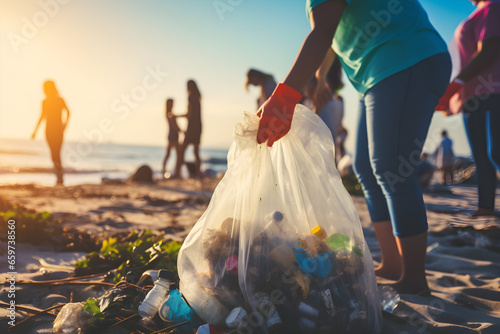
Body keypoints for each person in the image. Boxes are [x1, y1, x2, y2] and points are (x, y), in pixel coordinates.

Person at [256, 0, 451, 295]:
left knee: (392, 168)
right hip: (376, 72)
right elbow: (332, 36)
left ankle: (414, 279)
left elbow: (322, 33)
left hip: (405, 57)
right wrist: (321, 80)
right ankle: (392, 263)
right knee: (365, 168)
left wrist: (284, 97)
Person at [436, 0, 500, 217]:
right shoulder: (477, 13)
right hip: (471, 98)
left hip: (493, 91)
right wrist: (455, 93)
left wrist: (457, 84)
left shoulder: (494, 6)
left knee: (496, 152)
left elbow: (490, 48)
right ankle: (485, 208)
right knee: (481, 155)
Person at [32, 80, 70, 185]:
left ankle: (60, 176)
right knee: (53, 154)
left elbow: (68, 112)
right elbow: (42, 116)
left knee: (57, 153)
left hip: (58, 130)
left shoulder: (60, 100)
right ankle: (59, 175)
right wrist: (35, 131)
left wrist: (65, 125)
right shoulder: (44, 101)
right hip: (49, 130)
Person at [174, 80, 202, 179]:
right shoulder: (198, 98)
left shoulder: (191, 97)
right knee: (196, 153)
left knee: (181, 151)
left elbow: (189, 114)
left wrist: (176, 116)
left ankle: (177, 174)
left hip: (191, 128)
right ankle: (198, 174)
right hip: (198, 127)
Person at [162, 99, 182, 177]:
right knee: (177, 154)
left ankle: (164, 170)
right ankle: (176, 172)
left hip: (172, 135)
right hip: (173, 136)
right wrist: (182, 131)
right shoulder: (170, 114)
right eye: (172, 103)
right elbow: (175, 126)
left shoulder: (169, 114)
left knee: (169, 154)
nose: (173, 105)